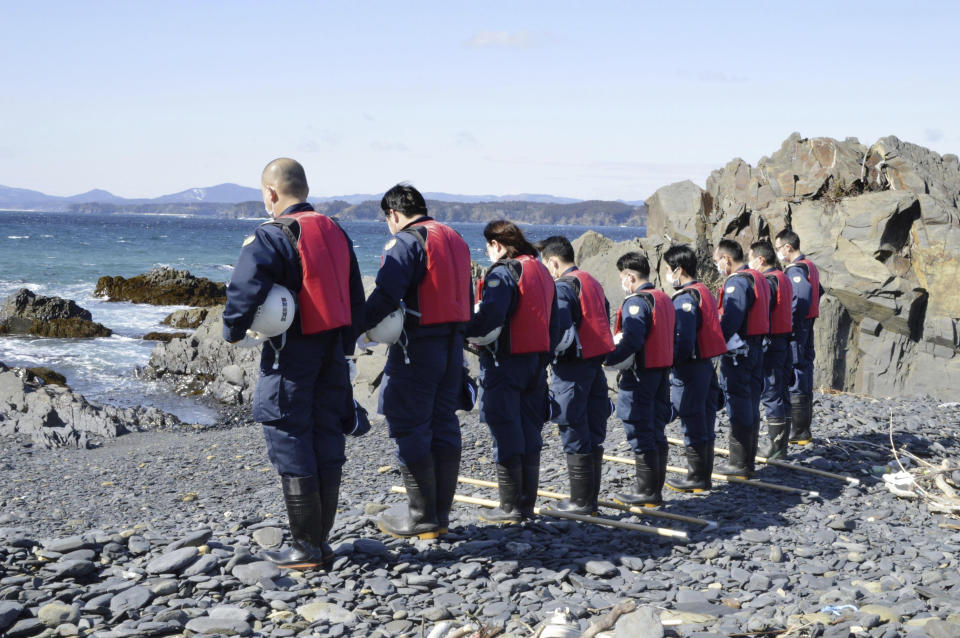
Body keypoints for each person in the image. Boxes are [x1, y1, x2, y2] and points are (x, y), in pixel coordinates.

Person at [222, 158, 365, 569]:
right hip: (333, 353)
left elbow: (244, 289)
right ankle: (321, 543)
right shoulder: (336, 229)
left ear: (271, 193)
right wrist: (347, 345)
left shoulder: (271, 234)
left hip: (292, 351)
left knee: (289, 434)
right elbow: (355, 295)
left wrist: (232, 331)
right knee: (326, 437)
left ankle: (305, 548)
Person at [361, 184, 472, 539]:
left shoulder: (407, 241)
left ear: (393, 214)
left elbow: (385, 295)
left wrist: (354, 328)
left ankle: (421, 517)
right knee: (443, 424)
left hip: (417, 347)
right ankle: (439, 516)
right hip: (453, 346)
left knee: (409, 423)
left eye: (387, 220)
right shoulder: (456, 238)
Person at [468, 220, 561, 524]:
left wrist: (463, 330)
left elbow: (491, 316)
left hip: (504, 363)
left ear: (497, 244)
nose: (487, 254)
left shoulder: (505, 271)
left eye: (488, 247)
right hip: (535, 364)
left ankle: (510, 507)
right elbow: (555, 323)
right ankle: (525, 504)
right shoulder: (542, 271)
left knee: (505, 429)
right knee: (529, 432)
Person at [539, 235, 614, 515]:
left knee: (572, 425)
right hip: (594, 364)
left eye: (545, 266)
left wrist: (543, 354)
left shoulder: (563, 286)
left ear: (554, 263)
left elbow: (557, 325)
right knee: (593, 428)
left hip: (572, 367)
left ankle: (581, 501)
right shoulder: (591, 281)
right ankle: (589, 499)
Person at [605, 252, 676, 507]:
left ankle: (647, 492)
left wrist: (608, 358)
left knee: (639, 427)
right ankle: (653, 491)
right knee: (656, 428)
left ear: (629, 276)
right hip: (661, 372)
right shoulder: (663, 298)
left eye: (622, 278)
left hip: (641, 375)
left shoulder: (636, 303)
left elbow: (633, 339)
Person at [659, 245, 727, 493]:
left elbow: (684, 340)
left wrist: (669, 363)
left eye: (668, 269)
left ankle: (697, 478)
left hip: (691, 369)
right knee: (705, 419)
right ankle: (701, 476)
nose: (668, 274)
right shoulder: (703, 291)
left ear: (679, 269)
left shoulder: (685, 298)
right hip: (706, 366)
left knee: (693, 419)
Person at [713, 238, 771, 478]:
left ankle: (739, 463)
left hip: (740, 352)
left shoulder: (737, 282)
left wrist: (713, 343)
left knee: (738, 402)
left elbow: (732, 318)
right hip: (757, 348)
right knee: (752, 402)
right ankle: (748, 460)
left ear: (726, 259)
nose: (717, 265)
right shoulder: (759, 277)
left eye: (717, 261)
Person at [774, 229, 823, 445]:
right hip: (807, 326)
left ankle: (800, 431)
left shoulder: (795, 270)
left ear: (788, 247)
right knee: (803, 371)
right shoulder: (810, 265)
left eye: (777, 248)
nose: (777, 253)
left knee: (797, 374)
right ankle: (802, 430)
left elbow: (801, 296)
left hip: (798, 330)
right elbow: (818, 290)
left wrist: (790, 323)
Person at [749, 240, 794, 459]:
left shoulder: (768, 281)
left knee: (771, 392)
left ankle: (776, 448)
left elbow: (762, 311)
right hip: (785, 340)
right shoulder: (783, 277)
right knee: (781, 391)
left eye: (751, 258)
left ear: (760, 259)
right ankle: (781, 445)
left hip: (772, 343)